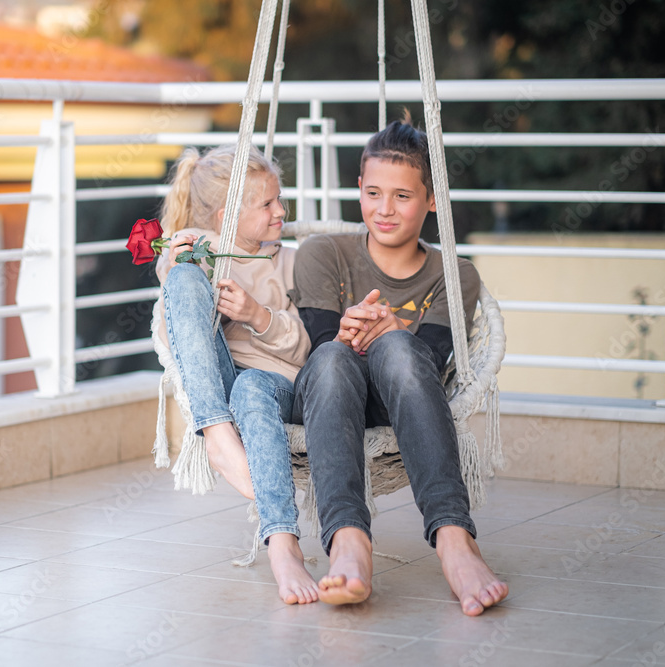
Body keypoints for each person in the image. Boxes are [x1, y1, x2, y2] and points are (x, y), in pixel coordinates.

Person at [288, 115, 509, 615]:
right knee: (332, 357)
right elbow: (321, 348)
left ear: (431, 200)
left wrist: (391, 334)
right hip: (328, 399)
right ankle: (348, 539)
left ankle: (455, 539)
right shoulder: (323, 253)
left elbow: (427, 364)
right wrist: (345, 332)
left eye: (403, 197)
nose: (383, 210)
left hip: (404, 405)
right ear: (359, 189)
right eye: (372, 193)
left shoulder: (455, 275)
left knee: (397, 349)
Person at [154, 144, 318, 604]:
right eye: (266, 204)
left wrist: (256, 315)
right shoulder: (208, 257)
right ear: (228, 215)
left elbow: (307, 348)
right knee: (184, 277)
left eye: (278, 199)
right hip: (218, 390)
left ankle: (283, 544)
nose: (280, 211)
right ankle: (217, 431)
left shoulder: (288, 261)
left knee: (250, 386)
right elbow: (175, 339)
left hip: (278, 385)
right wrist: (173, 263)